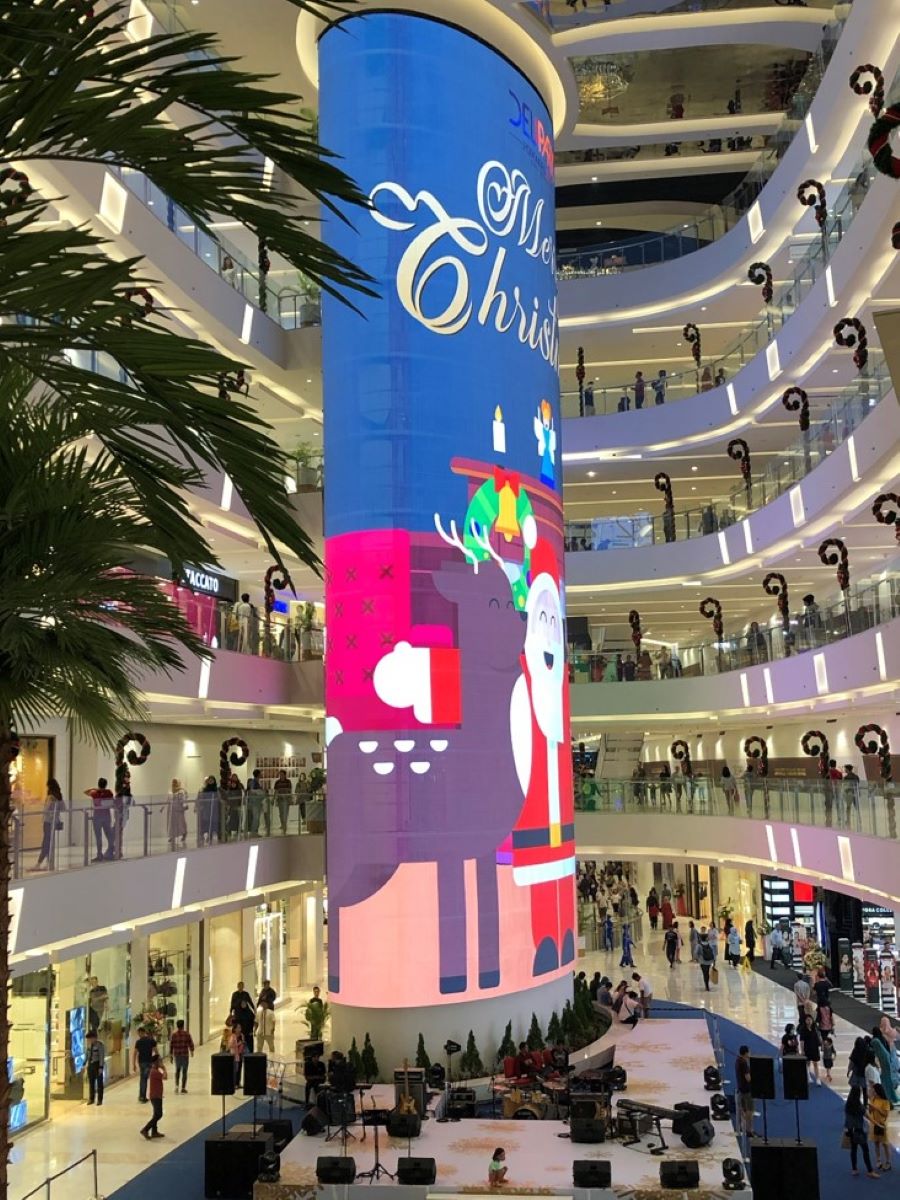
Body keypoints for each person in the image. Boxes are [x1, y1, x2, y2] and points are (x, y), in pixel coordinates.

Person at [844, 1085, 878, 1177]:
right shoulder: (859, 1107)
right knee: (865, 1150)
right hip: (859, 1131)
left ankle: (854, 1169)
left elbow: (847, 1119)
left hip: (850, 1130)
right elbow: (868, 1117)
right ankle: (870, 1171)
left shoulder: (847, 1105)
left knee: (853, 1150)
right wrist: (877, 1124)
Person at [34, 778, 65, 870]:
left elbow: (46, 810)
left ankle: (39, 863)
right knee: (50, 842)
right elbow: (64, 808)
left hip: (48, 822)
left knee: (46, 842)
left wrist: (49, 812)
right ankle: (49, 862)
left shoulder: (50, 797)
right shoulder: (59, 796)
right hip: (54, 822)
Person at [85, 777, 115, 862]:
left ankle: (99, 855)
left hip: (97, 817)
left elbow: (85, 792)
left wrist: (94, 788)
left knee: (98, 836)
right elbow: (112, 801)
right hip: (107, 816)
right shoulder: (109, 792)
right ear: (106, 785)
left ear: (98, 784)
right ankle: (111, 852)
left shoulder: (95, 793)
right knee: (109, 834)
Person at [140, 1055, 167, 1140]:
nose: (161, 1062)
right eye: (159, 1060)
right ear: (156, 1062)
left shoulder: (154, 1071)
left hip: (156, 1095)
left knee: (156, 1114)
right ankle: (145, 1129)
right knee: (159, 1114)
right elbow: (165, 1077)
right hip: (156, 1096)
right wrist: (164, 1068)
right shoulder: (154, 1072)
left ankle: (154, 1131)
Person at [868, 1083, 891, 1171]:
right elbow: (870, 1112)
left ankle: (888, 1162)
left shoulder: (885, 1101)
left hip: (882, 1125)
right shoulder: (873, 1099)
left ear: (878, 1091)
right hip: (874, 1124)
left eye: (874, 1091)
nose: (873, 1092)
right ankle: (878, 1160)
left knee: (885, 1144)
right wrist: (870, 1108)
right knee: (876, 1143)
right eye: (872, 1091)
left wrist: (876, 1108)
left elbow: (885, 1114)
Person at [133, 1026, 158, 1103]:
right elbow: (156, 1052)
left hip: (141, 1062)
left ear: (142, 1032)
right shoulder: (151, 1040)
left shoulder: (138, 1042)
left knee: (143, 1079)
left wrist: (134, 1064)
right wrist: (157, 1062)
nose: (138, 1035)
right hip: (148, 1062)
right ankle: (142, 1096)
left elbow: (135, 1053)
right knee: (145, 1079)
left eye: (139, 1033)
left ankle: (142, 1096)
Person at [170, 1019, 194, 1094]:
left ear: (177, 1026)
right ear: (183, 1025)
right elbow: (190, 1043)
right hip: (184, 1055)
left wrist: (171, 1055)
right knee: (184, 1071)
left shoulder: (174, 1035)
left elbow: (171, 1045)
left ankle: (177, 1087)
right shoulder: (187, 1034)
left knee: (177, 1070)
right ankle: (183, 1088)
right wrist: (192, 1051)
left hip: (177, 1055)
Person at [735, 1046, 754, 1138]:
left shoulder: (737, 1060)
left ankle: (742, 1127)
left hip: (740, 1088)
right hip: (746, 1090)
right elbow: (748, 1078)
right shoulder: (744, 1063)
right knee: (749, 1110)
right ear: (746, 1053)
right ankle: (749, 1130)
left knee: (743, 1109)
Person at [196, 775, 219, 845]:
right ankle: (206, 834)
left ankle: (211, 835)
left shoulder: (217, 789)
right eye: (209, 780)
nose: (210, 781)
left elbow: (219, 797)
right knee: (207, 822)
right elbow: (201, 798)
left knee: (213, 822)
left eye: (212, 780)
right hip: (207, 809)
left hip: (214, 809)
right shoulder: (204, 789)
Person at [800, 1014, 822, 1085]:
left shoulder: (814, 1028)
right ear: (805, 1021)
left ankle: (818, 1078)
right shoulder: (803, 1030)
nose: (809, 1021)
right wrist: (802, 1050)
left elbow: (817, 1037)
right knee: (808, 1063)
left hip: (814, 1048)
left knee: (815, 1063)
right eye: (807, 1020)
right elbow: (802, 1041)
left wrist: (820, 1046)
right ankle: (808, 1077)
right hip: (807, 1048)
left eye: (810, 1020)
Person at [167, 777, 188, 849]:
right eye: (173, 782)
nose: (174, 783)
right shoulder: (170, 791)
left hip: (179, 810)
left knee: (181, 823)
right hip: (172, 810)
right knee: (172, 824)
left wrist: (184, 805)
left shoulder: (181, 791)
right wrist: (162, 808)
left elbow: (183, 799)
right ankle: (172, 836)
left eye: (175, 782)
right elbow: (168, 800)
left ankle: (184, 834)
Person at [86, 1029, 105, 1105]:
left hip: (97, 1065)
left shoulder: (100, 1045)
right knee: (91, 1083)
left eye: (90, 1038)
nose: (89, 1040)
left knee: (99, 1083)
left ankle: (100, 1100)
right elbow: (87, 1056)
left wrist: (101, 1067)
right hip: (90, 1065)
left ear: (94, 1038)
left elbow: (101, 1056)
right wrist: (85, 1064)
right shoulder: (89, 1045)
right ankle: (91, 1098)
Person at [245, 768, 266, 836]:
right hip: (254, 803)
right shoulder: (253, 782)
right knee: (255, 818)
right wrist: (260, 792)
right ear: (258, 774)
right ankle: (253, 832)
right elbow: (251, 791)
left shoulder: (256, 782)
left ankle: (255, 832)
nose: (261, 774)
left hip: (257, 803)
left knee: (256, 818)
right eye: (260, 773)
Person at [273, 769, 293, 834]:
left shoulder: (288, 781)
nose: (281, 775)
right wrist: (273, 799)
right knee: (281, 814)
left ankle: (284, 826)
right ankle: (282, 824)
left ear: (285, 775)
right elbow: (275, 791)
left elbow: (289, 790)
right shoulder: (277, 782)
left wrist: (290, 799)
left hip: (286, 799)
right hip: (280, 800)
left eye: (282, 774)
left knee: (285, 813)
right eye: (280, 774)